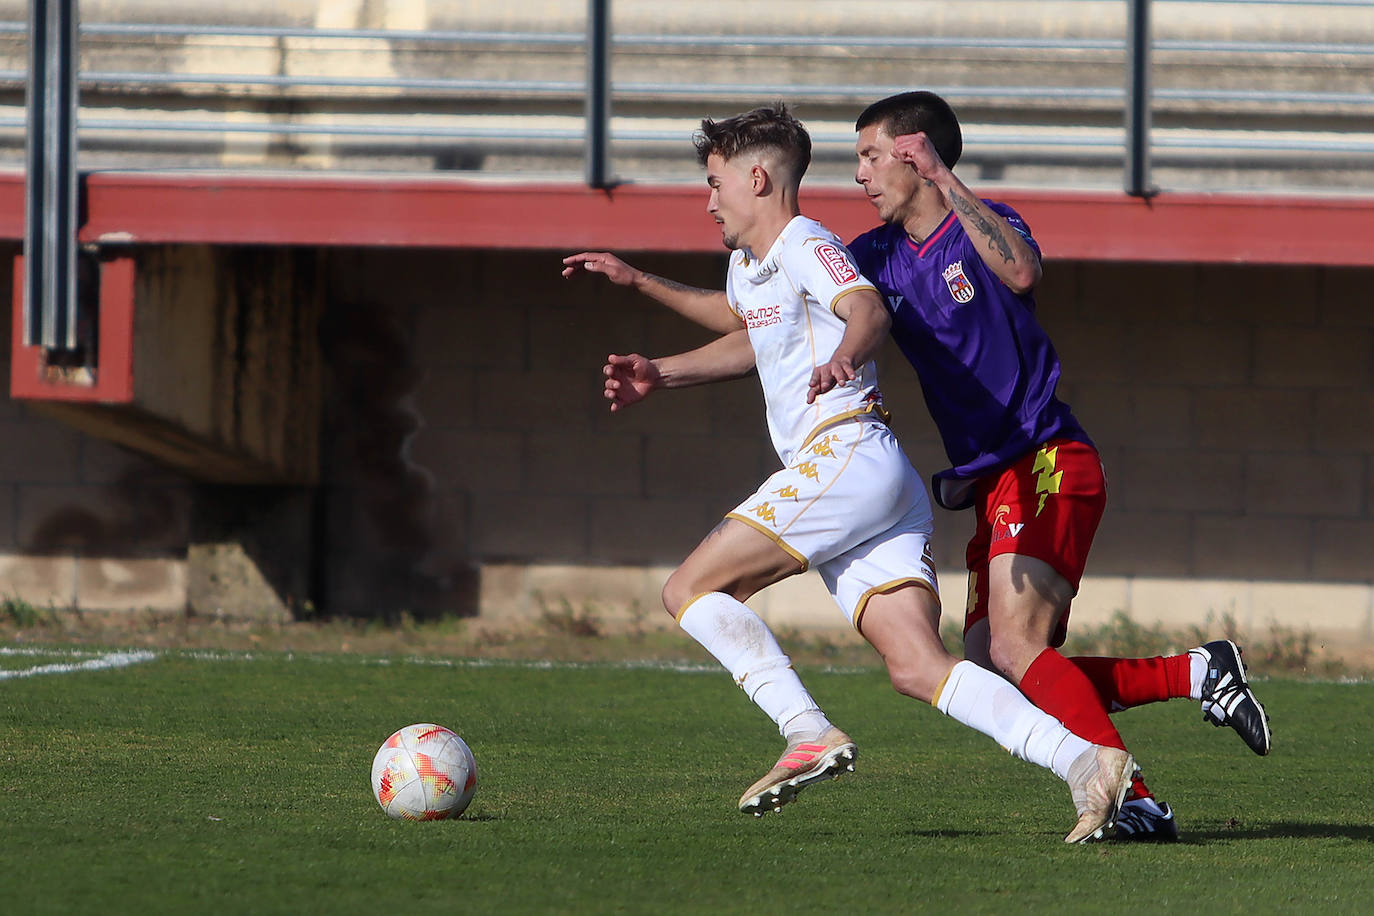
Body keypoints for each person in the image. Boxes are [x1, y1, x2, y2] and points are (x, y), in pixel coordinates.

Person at [563, 103, 1134, 844]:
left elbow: (865, 308)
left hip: (847, 455)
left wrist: (848, 355)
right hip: (876, 484)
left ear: (758, 177)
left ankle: (805, 728)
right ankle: (1086, 763)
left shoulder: (808, 242)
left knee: (689, 589)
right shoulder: (754, 264)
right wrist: (651, 338)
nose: (707, 201)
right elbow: (748, 333)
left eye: (714, 183)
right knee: (918, 667)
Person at [843, 90, 1272, 842]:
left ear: (915, 154)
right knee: (989, 667)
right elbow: (795, 302)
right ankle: (1196, 674)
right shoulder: (874, 255)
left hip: (1045, 458)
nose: (861, 174)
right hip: (994, 481)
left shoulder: (985, 223)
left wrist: (946, 180)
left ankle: (1129, 793)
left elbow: (1020, 274)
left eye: (873, 155)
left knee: (1014, 649)